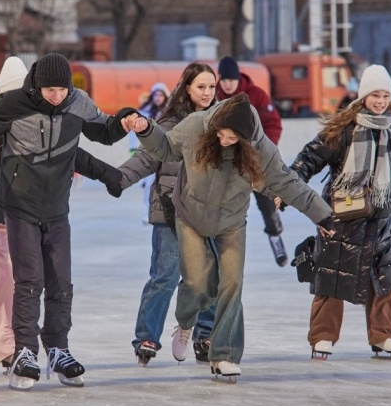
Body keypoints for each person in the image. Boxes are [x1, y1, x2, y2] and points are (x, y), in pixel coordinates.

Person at [0, 53, 135, 391]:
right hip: (20, 206)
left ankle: (58, 348)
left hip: (56, 208)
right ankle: (24, 352)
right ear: (37, 86)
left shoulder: (78, 102)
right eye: (50, 90)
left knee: (61, 281)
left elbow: (104, 132)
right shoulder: (17, 103)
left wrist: (124, 121)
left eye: (62, 90)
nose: (56, 96)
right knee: (30, 279)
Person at [124, 93, 335, 382]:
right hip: (190, 216)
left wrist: (322, 214)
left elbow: (287, 183)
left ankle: (224, 354)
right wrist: (146, 130)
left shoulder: (261, 148)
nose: (225, 141)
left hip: (231, 222)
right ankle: (185, 323)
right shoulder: (196, 125)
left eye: (233, 139)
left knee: (231, 285)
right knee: (198, 284)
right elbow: (166, 149)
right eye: (222, 134)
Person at [291, 65, 391, 360]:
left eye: (385, 95)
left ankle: (383, 336)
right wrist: (290, 186)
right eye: (375, 95)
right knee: (332, 276)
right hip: (343, 216)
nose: (380, 101)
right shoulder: (344, 130)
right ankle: (322, 337)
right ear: (363, 96)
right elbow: (309, 157)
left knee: (383, 279)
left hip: (380, 217)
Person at [113, 63, 218, 366]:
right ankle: (147, 336)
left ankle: (205, 334)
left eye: (211, 87)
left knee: (209, 278)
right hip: (170, 211)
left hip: (208, 213)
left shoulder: (220, 121)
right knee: (165, 277)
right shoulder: (170, 124)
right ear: (187, 88)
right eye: (201, 87)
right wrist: (117, 179)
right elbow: (147, 157)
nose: (207, 93)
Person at [216, 56, 289, 267]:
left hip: (254, 159)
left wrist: (264, 149)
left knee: (266, 201)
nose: (228, 84)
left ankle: (275, 235)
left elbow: (273, 123)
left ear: (238, 78)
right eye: (224, 80)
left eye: (232, 79)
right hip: (227, 162)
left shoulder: (256, 95)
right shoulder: (215, 97)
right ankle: (224, 246)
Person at [131, 82, 170, 224]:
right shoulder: (144, 113)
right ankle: (149, 212)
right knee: (149, 184)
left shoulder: (171, 113)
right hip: (149, 154)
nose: (158, 98)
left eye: (161, 95)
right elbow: (133, 133)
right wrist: (133, 149)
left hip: (167, 154)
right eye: (156, 95)